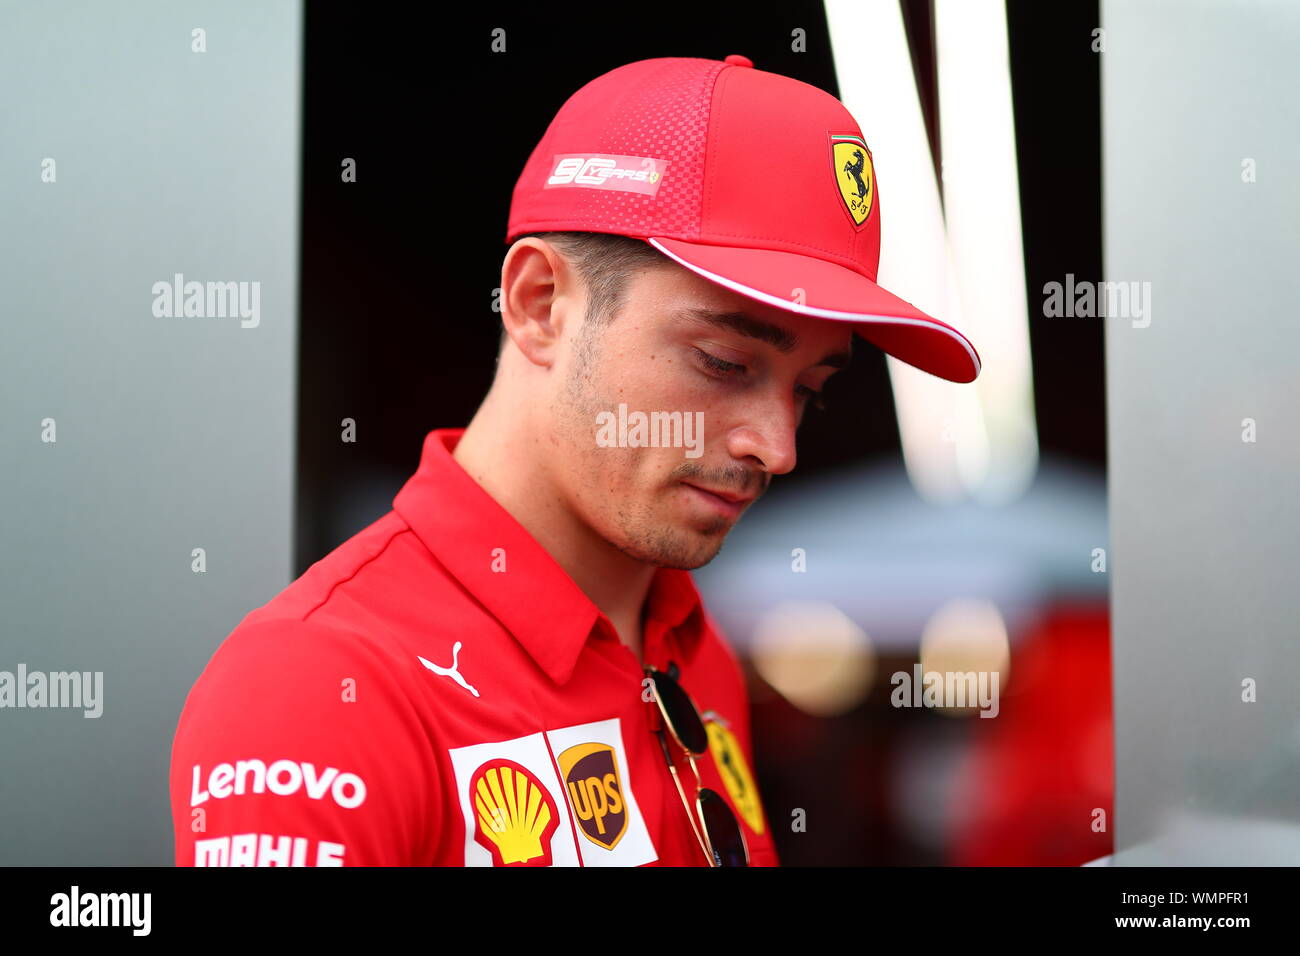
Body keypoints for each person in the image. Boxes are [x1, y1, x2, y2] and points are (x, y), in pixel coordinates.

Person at [169, 53, 980, 867]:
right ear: (539, 304)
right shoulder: (323, 684)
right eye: (724, 362)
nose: (777, 446)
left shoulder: (693, 647)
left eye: (808, 388)